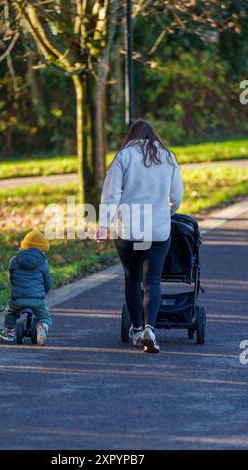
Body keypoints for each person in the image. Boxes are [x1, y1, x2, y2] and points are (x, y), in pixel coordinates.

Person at [95, 119, 184, 353]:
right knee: (152, 280)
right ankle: (150, 329)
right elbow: (177, 195)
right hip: (157, 230)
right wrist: (168, 212)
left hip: (130, 229)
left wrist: (103, 225)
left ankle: (135, 330)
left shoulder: (123, 157)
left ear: (131, 135)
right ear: (153, 135)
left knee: (132, 279)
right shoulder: (168, 157)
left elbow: (111, 194)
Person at [0, 230, 52, 345]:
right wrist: (44, 293)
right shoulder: (43, 262)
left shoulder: (14, 260)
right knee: (44, 316)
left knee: (10, 312)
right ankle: (42, 327)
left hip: (18, 299)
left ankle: (9, 331)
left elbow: (12, 279)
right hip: (36, 300)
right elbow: (47, 281)